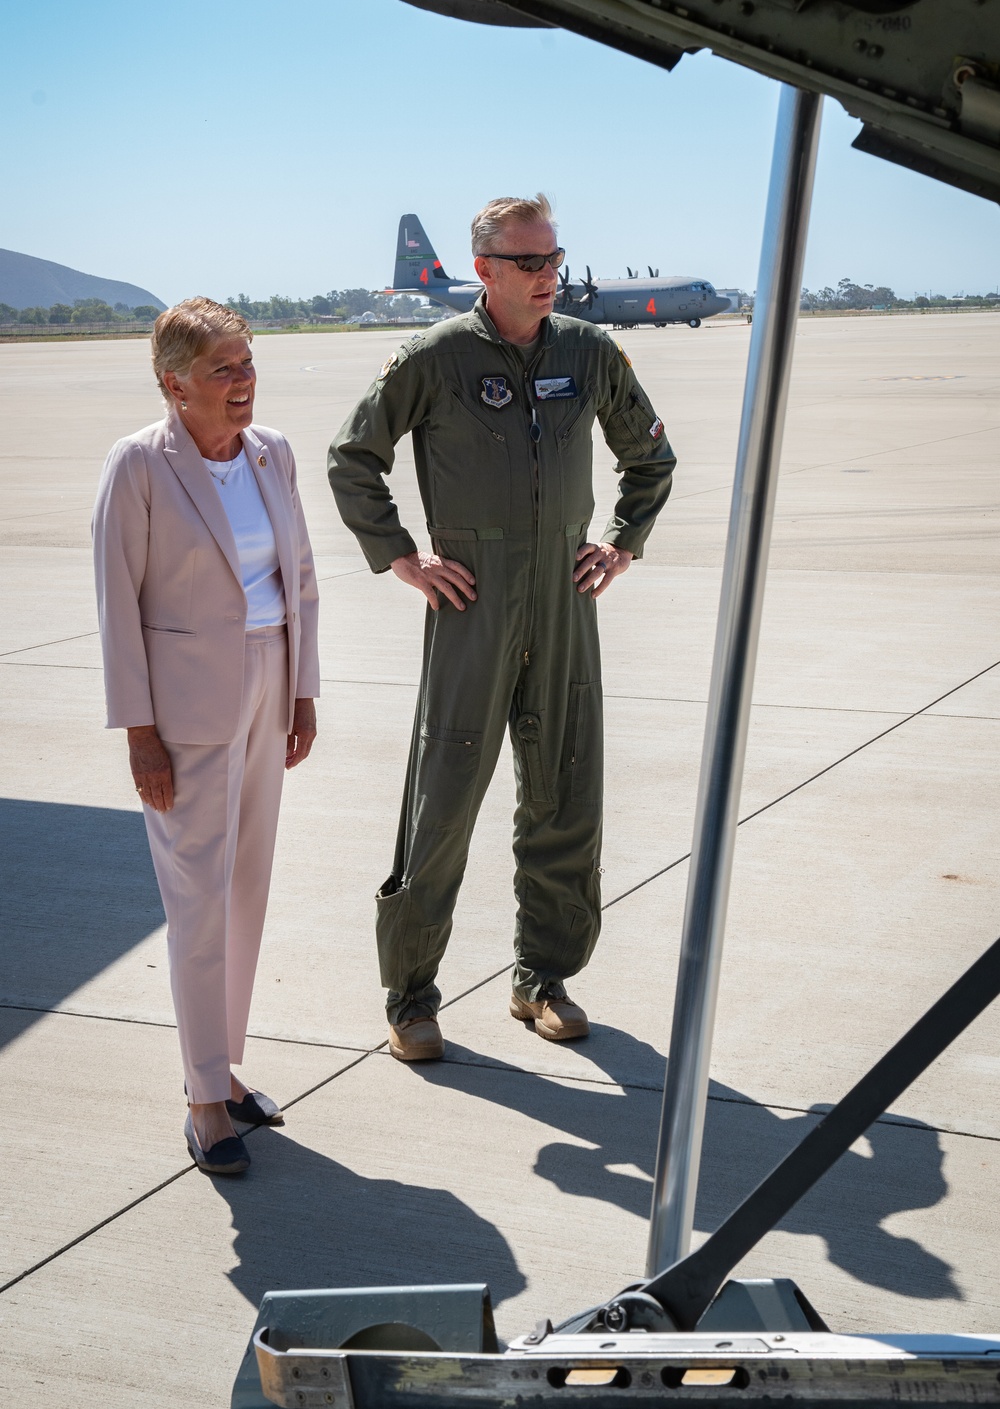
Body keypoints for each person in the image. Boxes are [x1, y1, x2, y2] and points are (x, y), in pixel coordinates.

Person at [328, 195, 676, 1063]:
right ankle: (410, 996)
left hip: (564, 599)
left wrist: (622, 541)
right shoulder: (435, 358)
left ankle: (542, 979)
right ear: (484, 271)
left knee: (564, 792)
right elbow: (353, 458)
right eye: (528, 262)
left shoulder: (588, 352)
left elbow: (650, 455)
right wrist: (404, 557)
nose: (548, 273)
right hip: (471, 602)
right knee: (443, 800)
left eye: (554, 257)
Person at [93, 298, 320, 1175]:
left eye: (248, 362)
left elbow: (297, 577)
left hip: (269, 688)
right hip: (183, 712)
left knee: (248, 887)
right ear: (173, 383)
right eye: (222, 369)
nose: (242, 381)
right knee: (197, 899)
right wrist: (139, 733)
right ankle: (200, 1099)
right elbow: (119, 604)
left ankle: (224, 1069)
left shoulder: (273, 453)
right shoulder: (139, 467)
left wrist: (302, 691)